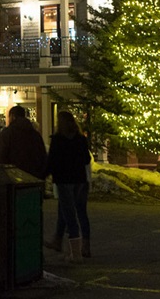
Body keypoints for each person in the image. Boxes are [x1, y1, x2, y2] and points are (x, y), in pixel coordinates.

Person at [45, 111, 92, 260]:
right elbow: (86, 159)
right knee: (77, 211)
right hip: (80, 179)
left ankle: (76, 253)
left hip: (64, 180)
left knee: (69, 213)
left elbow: (52, 161)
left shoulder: (58, 140)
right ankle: (81, 245)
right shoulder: (80, 139)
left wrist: (44, 175)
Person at [0, 105, 48, 180]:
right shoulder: (35, 134)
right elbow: (43, 156)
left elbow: (0, 156)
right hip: (34, 178)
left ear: (12, 116)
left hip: (13, 179)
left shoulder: (7, 133)